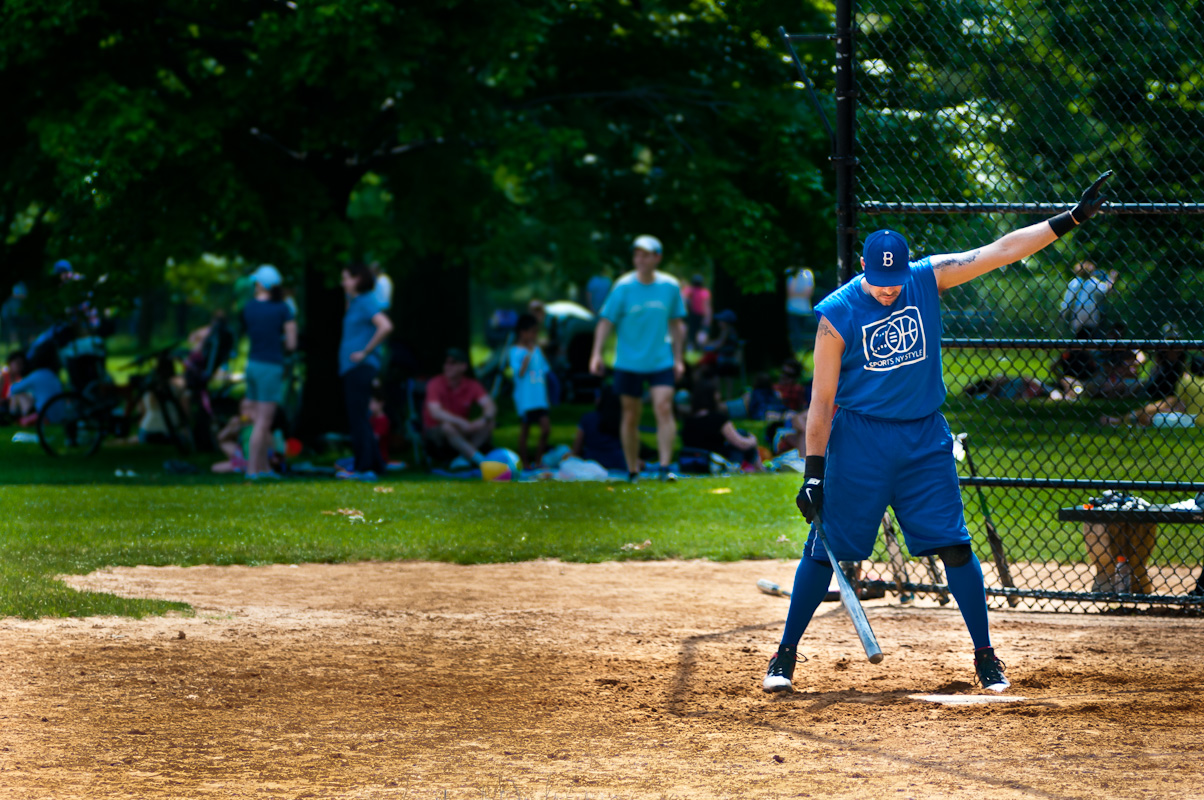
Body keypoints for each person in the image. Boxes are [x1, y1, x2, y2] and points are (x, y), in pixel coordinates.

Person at [763, 171, 1113, 696]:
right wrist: (814, 473)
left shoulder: (926, 278)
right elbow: (820, 402)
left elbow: (1000, 251)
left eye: (895, 280)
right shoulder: (836, 314)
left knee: (954, 546)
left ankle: (986, 657)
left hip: (925, 438)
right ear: (862, 268)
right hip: (860, 441)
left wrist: (1071, 219)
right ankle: (785, 654)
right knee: (826, 548)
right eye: (880, 281)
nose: (888, 289)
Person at [589, 234, 687, 482]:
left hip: (660, 360)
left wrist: (678, 358)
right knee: (630, 415)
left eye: (645, 255)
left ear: (657, 258)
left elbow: (677, 325)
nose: (639, 259)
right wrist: (596, 354)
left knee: (663, 407)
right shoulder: (622, 286)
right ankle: (632, 469)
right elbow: (605, 322)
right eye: (637, 255)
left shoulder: (670, 286)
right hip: (628, 362)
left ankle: (665, 467)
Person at [338, 262, 394, 481]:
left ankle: (363, 469)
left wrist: (365, 351)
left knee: (358, 417)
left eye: (346, 278)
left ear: (358, 279)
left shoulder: (366, 301)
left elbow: (385, 326)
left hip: (359, 367)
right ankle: (376, 465)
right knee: (360, 415)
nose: (343, 283)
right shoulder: (355, 302)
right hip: (352, 367)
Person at [241, 265, 297, 480]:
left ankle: (263, 468)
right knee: (264, 422)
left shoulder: (249, 308)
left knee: (258, 420)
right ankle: (253, 471)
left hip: (252, 365)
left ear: (261, 285)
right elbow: (292, 343)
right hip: (271, 366)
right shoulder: (283, 308)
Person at [423, 348, 497, 466]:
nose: (447, 366)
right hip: (436, 432)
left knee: (489, 423)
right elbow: (435, 412)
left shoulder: (472, 385)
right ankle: (482, 461)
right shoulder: (435, 383)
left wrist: (483, 420)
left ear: (463, 366)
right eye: (446, 363)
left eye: (453, 363)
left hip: (462, 430)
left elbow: (490, 406)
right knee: (448, 426)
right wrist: (461, 422)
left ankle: (464, 458)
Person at [681, 376, 764, 471]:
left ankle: (758, 468)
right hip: (715, 463)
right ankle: (760, 469)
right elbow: (740, 443)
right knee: (742, 433)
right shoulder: (718, 419)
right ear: (711, 396)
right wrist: (753, 440)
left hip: (692, 463)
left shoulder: (688, 421)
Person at [510, 313, 551, 469]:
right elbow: (519, 373)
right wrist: (528, 354)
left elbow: (544, 370)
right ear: (522, 332)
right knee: (525, 430)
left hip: (539, 397)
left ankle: (538, 460)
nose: (534, 335)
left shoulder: (537, 350)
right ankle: (525, 462)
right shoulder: (515, 351)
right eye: (532, 331)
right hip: (526, 398)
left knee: (546, 428)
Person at [571, 386, 638, 471]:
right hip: (619, 461)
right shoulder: (623, 420)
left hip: (592, 460)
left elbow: (577, 448)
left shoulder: (587, 418)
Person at [1060, 260, 1118, 337]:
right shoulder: (1092, 282)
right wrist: (1112, 278)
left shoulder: (1074, 282)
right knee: (1090, 334)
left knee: (1079, 335)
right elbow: (1106, 289)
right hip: (1090, 311)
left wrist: (1063, 314)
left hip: (1077, 311)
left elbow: (1067, 301)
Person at [5, 351, 63, 425]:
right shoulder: (51, 373)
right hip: (58, 415)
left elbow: (13, 389)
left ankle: (12, 417)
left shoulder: (35, 375)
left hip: (45, 415)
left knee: (19, 394)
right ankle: (12, 417)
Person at [786, 267, 817, 354]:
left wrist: (796, 293)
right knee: (796, 332)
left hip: (802, 309)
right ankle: (798, 350)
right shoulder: (791, 272)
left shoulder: (807, 273)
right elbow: (791, 292)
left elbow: (807, 293)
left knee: (799, 333)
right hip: (793, 309)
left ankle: (800, 350)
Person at [681, 274, 712, 351]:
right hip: (699, 316)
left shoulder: (688, 290)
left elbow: (682, 300)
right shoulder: (704, 292)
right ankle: (696, 349)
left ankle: (689, 349)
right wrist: (707, 319)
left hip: (690, 316)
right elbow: (707, 307)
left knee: (690, 335)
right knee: (697, 335)